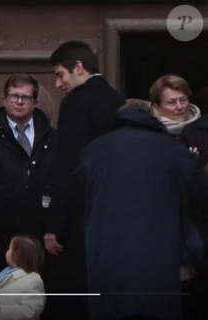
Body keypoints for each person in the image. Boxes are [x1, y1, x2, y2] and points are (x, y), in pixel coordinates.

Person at [75, 100, 208, 320]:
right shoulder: (173, 150)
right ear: (152, 118)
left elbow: (76, 197)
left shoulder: (93, 150)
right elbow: (200, 194)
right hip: (160, 257)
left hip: (107, 255)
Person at [42, 41, 126, 320]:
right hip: (113, 213)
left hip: (80, 218)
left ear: (78, 67)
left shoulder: (75, 103)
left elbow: (69, 167)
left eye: (60, 75)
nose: (57, 84)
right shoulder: (117, 100)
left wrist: (55, 225)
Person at [0, 73, 56, 277]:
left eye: (26, 97)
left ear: (35, 102)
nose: (19, 102)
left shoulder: (52, 138)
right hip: (2, 236)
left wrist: (56, 228)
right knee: (6, 297)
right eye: (14, 96)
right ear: (4, 99)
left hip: (43, 235)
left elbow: (60, 184)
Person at [148, 75, 206, 320]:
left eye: (183, 100)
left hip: (199, 220)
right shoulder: (150, 133)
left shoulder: (202, 130)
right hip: (162, 222)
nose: (180, 107)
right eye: (171, 103)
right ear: (157, 106)